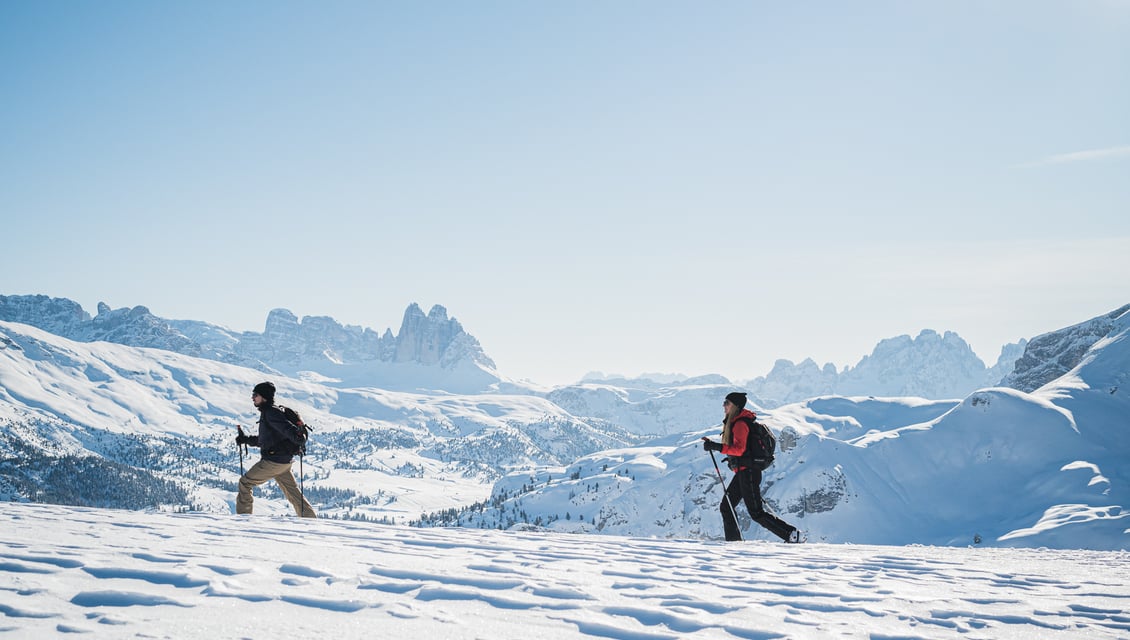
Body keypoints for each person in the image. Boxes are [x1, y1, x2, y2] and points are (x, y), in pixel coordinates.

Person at [703, 392, 799, 542]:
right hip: (743, 473)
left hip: (748, 473)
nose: (724, 406)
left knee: (756, 513)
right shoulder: (737, 422)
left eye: (727, 403)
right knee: (726, 507)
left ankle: (791, 535)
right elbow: (740, 449)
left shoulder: (741, 424)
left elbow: (739, 449)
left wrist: (716, 447)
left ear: (735, 406)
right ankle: (734, 542)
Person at [235, 382, 317, 518]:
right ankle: (310, 520)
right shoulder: (271, 412)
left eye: (255, 395)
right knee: (294, 494)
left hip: (273, 461)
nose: (252, 398)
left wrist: (298, 437)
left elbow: (289, 431)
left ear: (264, 397)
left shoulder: (271, 413)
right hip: (284, 462)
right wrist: (245, 440)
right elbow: (266, 440)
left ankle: (243, 520)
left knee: (245, 482)